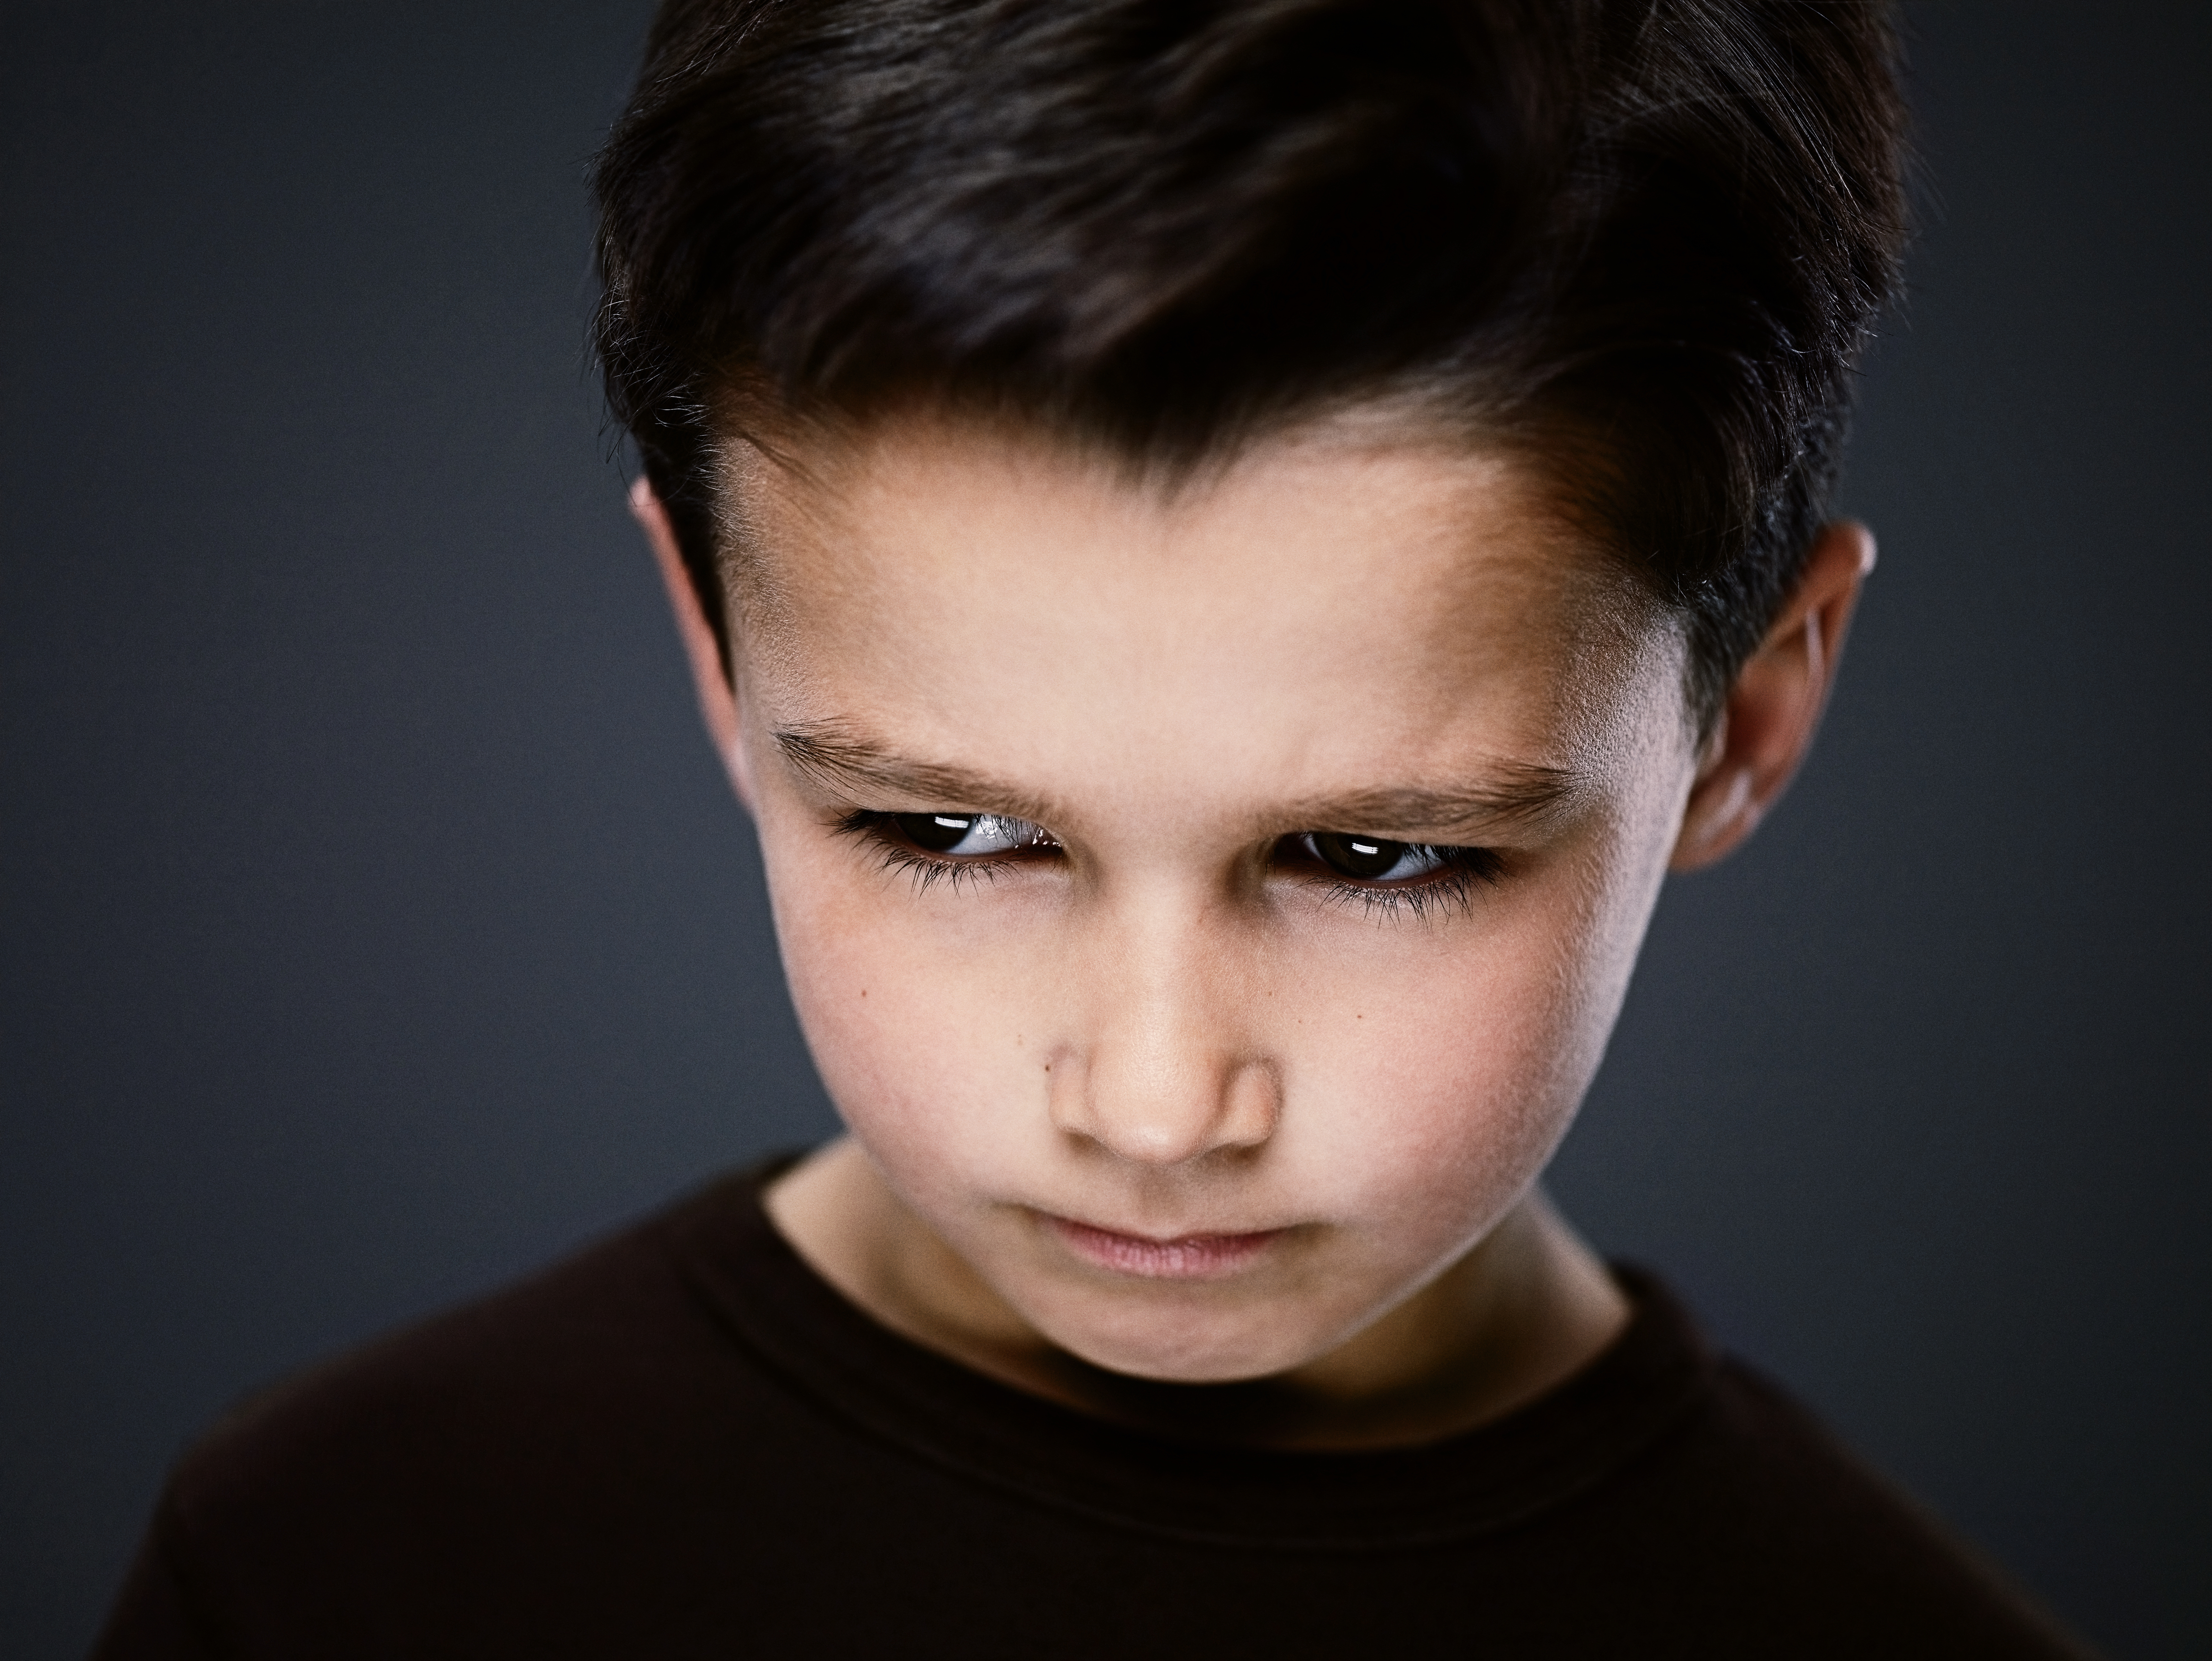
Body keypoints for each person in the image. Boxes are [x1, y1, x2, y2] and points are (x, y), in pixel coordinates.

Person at [93, 1, 2095, 1654]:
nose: (1152, 1108)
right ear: (715, 661)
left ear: (1744, 721)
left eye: (1373, 856)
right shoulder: (343, 1565)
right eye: (951, 829)